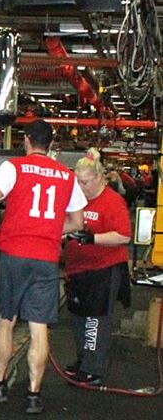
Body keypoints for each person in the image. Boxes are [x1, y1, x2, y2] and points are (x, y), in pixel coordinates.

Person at [0, 119, 86, 415]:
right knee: (39, 328)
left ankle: (0, 386)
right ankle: (33, 395)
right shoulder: (67, 176)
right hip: (46, 258)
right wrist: (52, 231)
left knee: (7, 320)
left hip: (13, 254)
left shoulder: (14, 167)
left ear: (26, 140)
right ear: (51, 144)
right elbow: (78, 222)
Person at [64, 148, 131, 385]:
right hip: (78, 269)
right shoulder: (77, 201)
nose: (81, 188)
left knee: (95, 320)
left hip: (104, 268)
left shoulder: (112, 201)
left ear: (99, 177)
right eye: (77, 183)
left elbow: (123, 236)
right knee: (77, 317)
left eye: (85, 183)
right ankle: (84, 359)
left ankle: (94, 367)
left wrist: (92, 239)